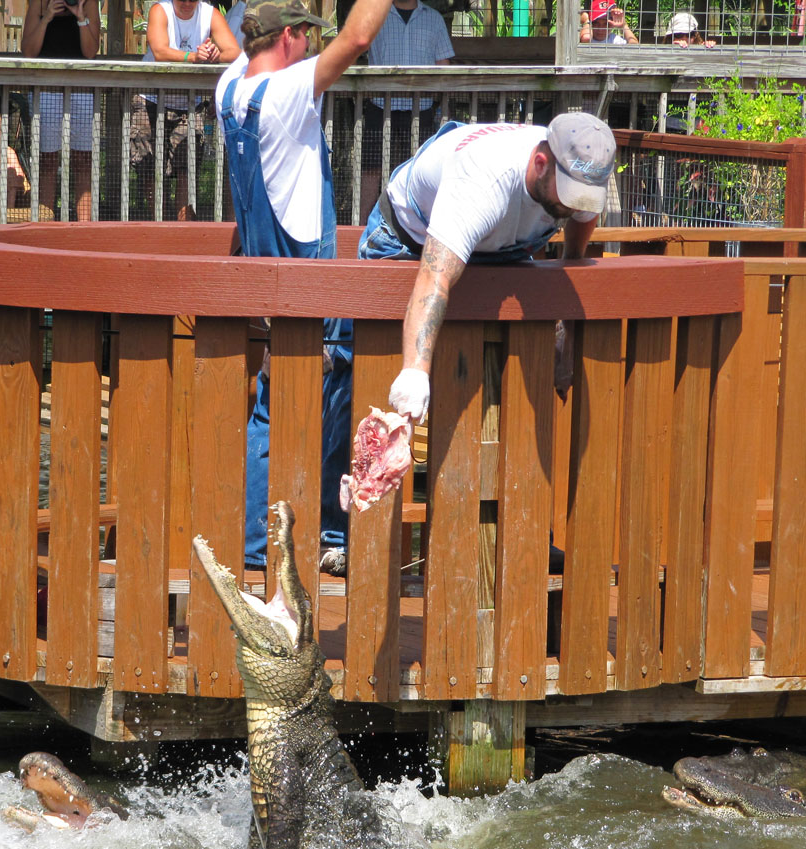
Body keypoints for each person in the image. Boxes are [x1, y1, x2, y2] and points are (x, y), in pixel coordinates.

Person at [215, 0, 391, 573]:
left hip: (265, 273)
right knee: (331, 391)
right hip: (309, 276)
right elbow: (358, 38)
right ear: (289, 36)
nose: (315, 45)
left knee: (272, 404)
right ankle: (331, 534)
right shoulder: (288, 92)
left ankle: (254, 545)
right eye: (308, 36)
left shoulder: (228, 88)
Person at [353, 114, 615, 426]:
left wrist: (565, 323)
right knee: (369, 377)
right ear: (541, 163)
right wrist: (414, 373)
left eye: (585, 198)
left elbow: (582, 221)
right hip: (409, 241)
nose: (577, 206)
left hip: (502, 247)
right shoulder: (482, 181)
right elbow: (434, 277)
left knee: (493, 379)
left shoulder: (577, 166)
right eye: (571, 195)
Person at [134, 0, 239, 220]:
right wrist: (193, 57)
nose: (187, 3)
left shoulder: (210, 14)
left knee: (187, 170)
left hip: (189, 104)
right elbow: (160, 51)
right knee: (149, 169)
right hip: (150, 99)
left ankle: (184, 227)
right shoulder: (160, 10)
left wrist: (214, 56)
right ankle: (160, 226)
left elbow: (234, 51)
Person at [359, 0, 454, 213]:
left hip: (421, 109)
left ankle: (420, 221)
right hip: (380, 105)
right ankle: (362, 222)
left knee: (422, 168)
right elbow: (355, 46)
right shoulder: (375, 17)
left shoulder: (434, 19)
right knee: (371, 168)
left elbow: (444, 66)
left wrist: (443, 105)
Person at [21, 0, 101, 220]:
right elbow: (28, 51)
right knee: (47, 161)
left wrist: (81, 18)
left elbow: (91, 52)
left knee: (83, 160)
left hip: (81, 89)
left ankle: (85, 227)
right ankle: (45, 223)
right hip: (46, 88)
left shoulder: (88, 3)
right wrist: (47, 17)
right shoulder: (38, 3)